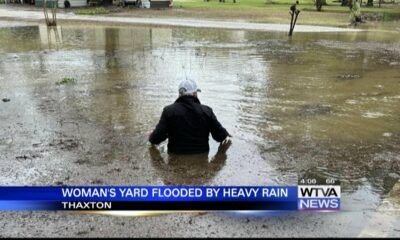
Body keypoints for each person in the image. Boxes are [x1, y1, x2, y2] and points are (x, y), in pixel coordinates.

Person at [149, 79, 231, 154]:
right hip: (201, 158)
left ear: (179, 94)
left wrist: (151, 136)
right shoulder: (207, 111)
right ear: (195, 93)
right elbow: (220, 136)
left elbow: (156, 138)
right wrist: (226, 135)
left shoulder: (169, 111)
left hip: (175, 158)